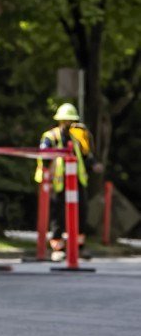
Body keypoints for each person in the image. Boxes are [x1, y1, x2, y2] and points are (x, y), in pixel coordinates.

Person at [34, 103, 102, 261]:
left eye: (70, 121)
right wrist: (47, 176)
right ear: (59, 121)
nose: (68, 124)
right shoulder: (50, 137)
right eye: (65, 120)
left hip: (76, 182)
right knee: (58, 214)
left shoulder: (75, 138)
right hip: (58, 182)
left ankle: (78, 247)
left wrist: (94, 164)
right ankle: (58, 248)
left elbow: (85, 156)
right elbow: (44, 156)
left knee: (81, 212)